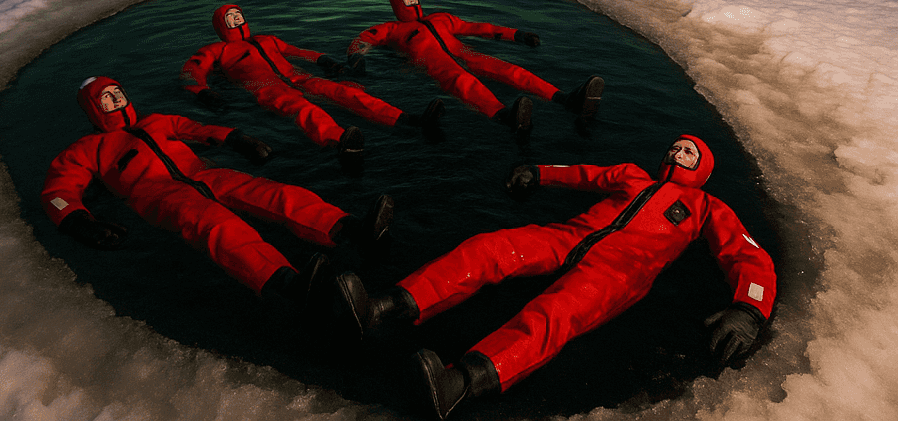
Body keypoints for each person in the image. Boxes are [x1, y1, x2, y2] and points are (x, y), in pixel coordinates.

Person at [333, 134, 776, 420]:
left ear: (703, 167)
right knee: (488, 248)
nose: (677, 153)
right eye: (675, 147)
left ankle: (460, 383)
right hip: (568, 237)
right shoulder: (632, 175)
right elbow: (583, 175)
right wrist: (538, 172)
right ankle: (383, 306)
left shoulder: (707, 209)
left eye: (689, 151)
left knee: (553, 314)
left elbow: (747, 254)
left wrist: (750, 308)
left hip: (620, 271)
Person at [42, 76, 394, 311]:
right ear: (92, 107)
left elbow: (197, 128)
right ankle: (286, 283)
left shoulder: (157, 121)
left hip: (204, 173)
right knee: (216, 225)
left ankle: (349, 228)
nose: (116, 99)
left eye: (118, 92)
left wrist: (238, 138)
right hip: (157, 195)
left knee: (272, 192)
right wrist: (76, 220)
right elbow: (58, 189)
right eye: (106, 98)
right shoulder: (88, 149)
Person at [181, 4, 445, 170]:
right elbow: (192, 69)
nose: (237, 19)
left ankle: (408, 120)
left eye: (239, 14)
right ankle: (340, 141)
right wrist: (202, 91)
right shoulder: (218, 49)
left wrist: (323, 59)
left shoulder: (267, 38)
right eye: (231, 17)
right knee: (303, 108)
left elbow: (297, 51)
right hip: (267, 88)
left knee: (345, 92)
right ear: (221, 24)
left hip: (299, 77)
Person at [345, 0, 604, 141]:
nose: (411, 0)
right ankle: (505, 116)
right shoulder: (392, 30)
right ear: (397, 4)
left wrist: (516, 34)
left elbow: (476, 27)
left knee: (509, 69)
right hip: (438, 66)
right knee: (464, 83)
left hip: (466, 54)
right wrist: (356, 55)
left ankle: (564, 99)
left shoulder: (441, 18)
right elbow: (362, 39)